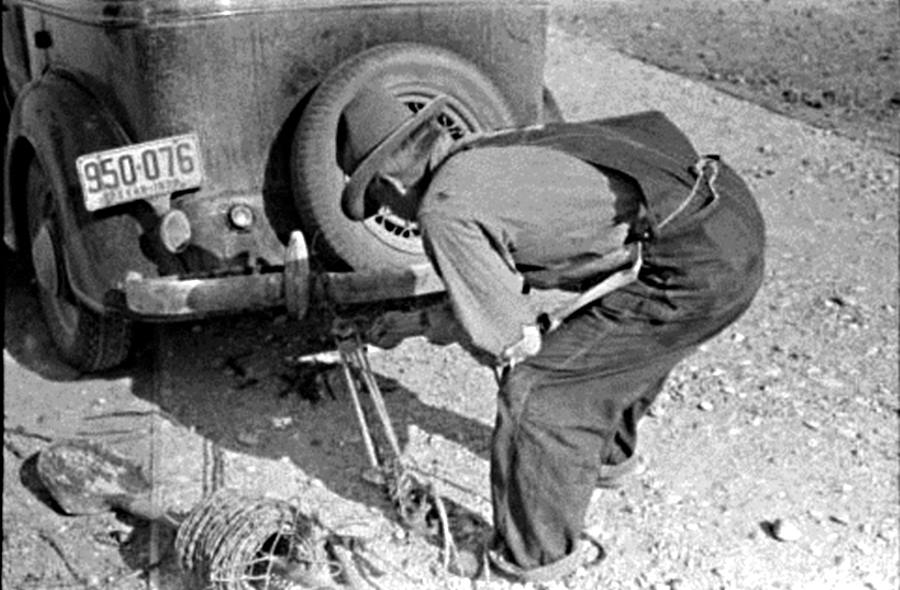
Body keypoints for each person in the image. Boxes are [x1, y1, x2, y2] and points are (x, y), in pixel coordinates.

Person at [338, 85, 766, 582]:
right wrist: (413, 324)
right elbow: (517, 284)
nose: (387, 211)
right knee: (609, 349)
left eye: (376, 198)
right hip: (724, 214)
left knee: (538, 394)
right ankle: (603, 460)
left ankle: (535, 558)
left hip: (696, 265)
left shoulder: (444, 208)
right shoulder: (488, 153)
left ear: (390, 180)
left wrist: (439, 325)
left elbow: (511, 339)